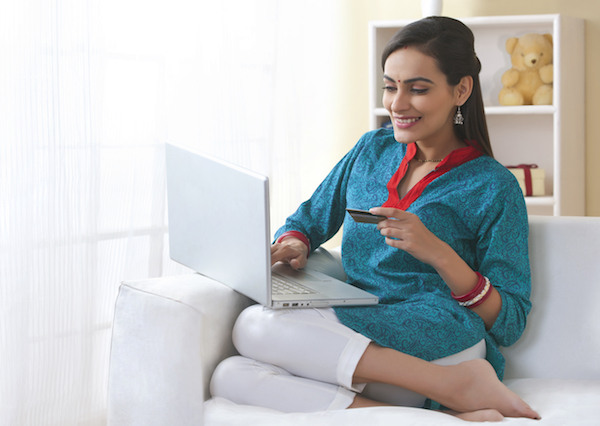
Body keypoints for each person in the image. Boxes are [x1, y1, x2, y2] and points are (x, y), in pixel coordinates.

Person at [210, 16, 540, 422]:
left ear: (461, 89)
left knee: (252, 328)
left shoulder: (494, 186)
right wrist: (295, 242)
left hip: (440, 336)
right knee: (230, 376)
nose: (398, 104)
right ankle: (447, 409)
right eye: (390, 86)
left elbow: (510, 321)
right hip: (361, 333)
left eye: (417, 89)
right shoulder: (371, 149)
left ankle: (450, 381)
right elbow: (310, 217)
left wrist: (439, 254)